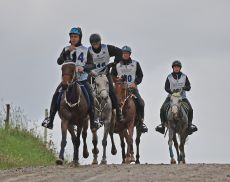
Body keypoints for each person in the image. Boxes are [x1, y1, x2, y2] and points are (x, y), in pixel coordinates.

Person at [42, 27, 98, 130]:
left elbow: (92, 65)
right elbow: (59, 62)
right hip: (68, 80)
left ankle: (94, 120)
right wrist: (66, 53)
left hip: (81, 80)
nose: (73, 39)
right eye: (71, 36)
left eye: (75, 37)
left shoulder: (86, 50)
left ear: (79, 38)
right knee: (56, 95)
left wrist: (84, 68)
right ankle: (50, 119)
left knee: (90, 96)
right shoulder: (66, 49)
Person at [111, 45, 148, 133]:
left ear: (130, 54)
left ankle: (141, 122)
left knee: (141, 103)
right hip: (120, 89)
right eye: (124, 53)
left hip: (132, 89)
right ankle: (108, 121)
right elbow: (112, 75)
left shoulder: (135, 63)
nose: (125, 55)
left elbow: (140, 75)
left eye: (127, 53)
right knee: (110, 101)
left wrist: (135, 83)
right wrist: (117, 80)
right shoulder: (117, 65)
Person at [88, 33, 124, 123]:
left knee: (111, 91)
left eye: (97, 43)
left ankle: (119, 113)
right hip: (93, 75)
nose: (95, 45)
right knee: (87, 92)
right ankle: (88, 114)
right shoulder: (88, 51)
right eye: (93, 44)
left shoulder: (107, 48)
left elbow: (120, 52)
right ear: (91, 44)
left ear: (100, 42)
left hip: (105, 74)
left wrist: (115, 63)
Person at [155, 60, 198, 135]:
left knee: (190, 109)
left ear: (180, 68)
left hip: (182, 97)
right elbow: (166, 87)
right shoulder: (169, 77)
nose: (176, 68)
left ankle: (190, 125)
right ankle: (162, 126)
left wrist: (185, 87)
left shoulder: (184, 77)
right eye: (175, 67)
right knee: (162, 109)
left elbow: (189, 87)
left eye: (177, 67)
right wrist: (172, 92)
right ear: (173, 68)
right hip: (172, 97)